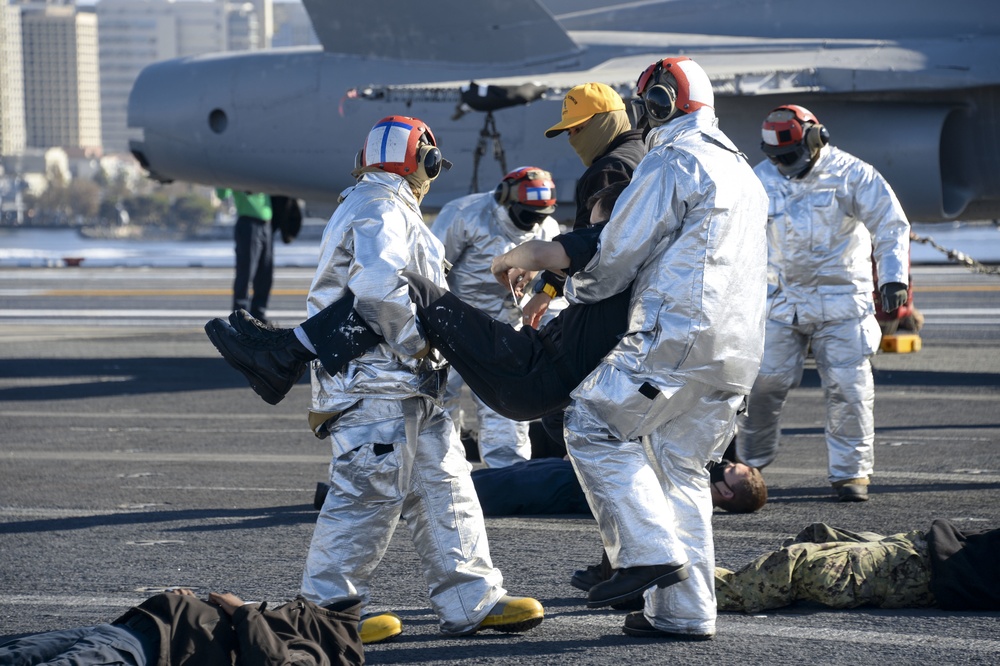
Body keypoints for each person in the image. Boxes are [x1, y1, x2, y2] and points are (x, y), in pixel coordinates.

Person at [208, 116, 545, 644]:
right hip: (375, 385)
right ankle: (325, 615)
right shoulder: (380, 208)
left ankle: (471, 600)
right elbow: (381, 290)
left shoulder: (383, 206)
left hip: (409, 386)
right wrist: (422, 344)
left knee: (446, 488)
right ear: (420, 160)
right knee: (366, 492)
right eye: (431, 161)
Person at [501, 55, 768, 641]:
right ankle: (685, 612)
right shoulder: (744, 169)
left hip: (678, 331)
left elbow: (617, 254)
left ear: (662, 104)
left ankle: (644, 550)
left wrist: (570, 285)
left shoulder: (673, 160)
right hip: (739, 350)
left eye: (648, 103)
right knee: (682, 471)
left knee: (591, 422)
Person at [734, 104, 911, 502]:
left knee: (849, 387)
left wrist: (894, 277)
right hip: (780, 301)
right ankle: (750, 463)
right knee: (763, 382)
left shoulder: (853, 175)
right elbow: (733, 236)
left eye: (789, 156)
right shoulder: (760, 180)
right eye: (775, 158)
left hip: (842, 301)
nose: (782, 165)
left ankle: (851, 474)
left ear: (815, 141)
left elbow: (890, 223)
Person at [530, 81, 646, 451]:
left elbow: (590, 249)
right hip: (648, 309)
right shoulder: (645, 152)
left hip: (611, 314)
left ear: (606, 121)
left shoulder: (609, 169)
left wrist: (544, 289)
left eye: (578, 128)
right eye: (567, 131)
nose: (571, 138)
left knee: (561, 409)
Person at [431, 167, 561, 468]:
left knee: (507, 402)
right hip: (453, 327)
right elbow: (431, 270)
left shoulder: (548, 228)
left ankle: (509, 471)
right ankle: (439, 469)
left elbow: (555, 283)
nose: (535, 222)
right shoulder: (465, 215)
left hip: (506, 330)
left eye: (540, 215)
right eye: (528, 215)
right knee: (439, 400)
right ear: (505, 200)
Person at [0, 587, 363, 666]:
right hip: (127, 631)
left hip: (142, 650)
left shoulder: (315, 656)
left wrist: (244, 612)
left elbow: (270, 664)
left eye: (300, 610)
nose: (291, 608)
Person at [715, 520, 1000, 612]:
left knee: (797, 566)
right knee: (820, 533)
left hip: (920, 570)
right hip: (922, 546)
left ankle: (681, 587)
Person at [215, 188, 274, 322]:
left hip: (267, 224)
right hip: (249, 224)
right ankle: (240, 317)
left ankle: (259, 315)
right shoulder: (241, 174)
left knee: (265, 273)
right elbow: (222, 192)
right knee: (246, 272)